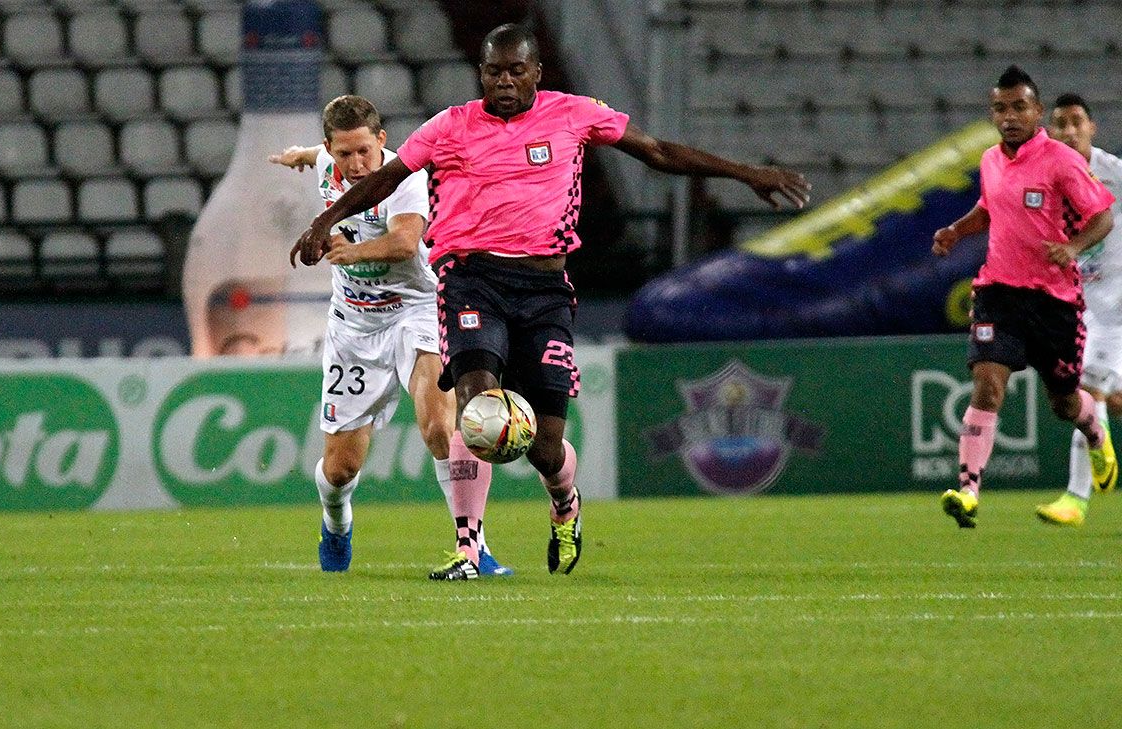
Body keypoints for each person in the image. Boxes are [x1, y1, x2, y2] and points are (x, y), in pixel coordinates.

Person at [291, 24, 810, 579]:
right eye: (494, 71)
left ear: (536, 72)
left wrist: (745, 173)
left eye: (516, 70)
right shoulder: (450, 126)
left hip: (543, 291)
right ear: (481, 74)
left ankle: (565, 503)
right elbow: (386, 179)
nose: (504, 81)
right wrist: (324, 221)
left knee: (545, 446)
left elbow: (657, 151)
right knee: (474, 408)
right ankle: (469, 550)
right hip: (471, 281)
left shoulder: (573, 114)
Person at [269, 94, 511, 575]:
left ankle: (473, 546)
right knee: (340, 469)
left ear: (381, 140)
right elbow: (315, 156)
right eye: (344, 153)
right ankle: (336, 524)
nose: (357, 163)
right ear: (331, 149)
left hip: (416, 312)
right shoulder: (327, 163)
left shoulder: (405, 176)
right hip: (354, 326)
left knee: (441, 428)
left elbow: (403, 242)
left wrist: (348, 253)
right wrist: (299, 156)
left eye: (365, 150)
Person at [932, 67, 1118, 529]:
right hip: (998, 292)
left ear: (1037, 112)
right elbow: (989, 207)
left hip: (1055, 301)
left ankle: (1094, 430)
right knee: (987, 383)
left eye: (1019, 107)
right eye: (1000, 108)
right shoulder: (990, 160)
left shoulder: (1061, 160)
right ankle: (968, 491)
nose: (1009, 116)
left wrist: (1072, 248)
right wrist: (956, 230)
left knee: (1064, 404)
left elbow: (1103, 216)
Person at [1035, 93, 1122, 526]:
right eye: (1061, 123)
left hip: (1118, 305)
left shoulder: (1114, 173)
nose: (1069, 131)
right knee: (1107, 399)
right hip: (1078, 305)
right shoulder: (1045, 177)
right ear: (1050, 132)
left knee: (1087, 391)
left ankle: (1075, 498)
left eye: (1077, 122)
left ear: (1092, 128)